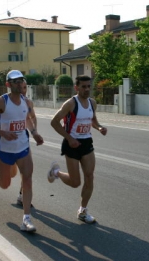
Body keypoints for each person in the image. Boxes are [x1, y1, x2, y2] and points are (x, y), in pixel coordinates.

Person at [0, 70, 43, 232]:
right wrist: (3, 133)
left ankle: (26, 219)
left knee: (27, 179)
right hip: (5, 149)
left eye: (20, 80)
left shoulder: (27, 102)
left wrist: (35, 134)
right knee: (5, 183)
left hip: (23, 147)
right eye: (14, 81)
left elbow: (27, 120)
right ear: (8, 84)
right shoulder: (2, 102)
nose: (18, 83)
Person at [49, 75, 107, 224]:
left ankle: (83, 210)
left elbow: (92, 120)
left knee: (89, 176)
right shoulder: (70, 104)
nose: (87, 89)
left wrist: (99, 127)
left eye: (89, 86)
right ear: (77, 88)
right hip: (71, 144)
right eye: (84, 86)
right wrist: (69, 138)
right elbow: (54, 122)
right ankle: (56, 172)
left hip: (86, 143)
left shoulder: (92, 103)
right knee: (75, 182)